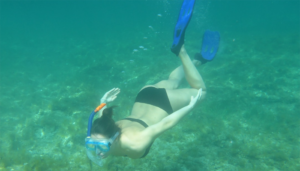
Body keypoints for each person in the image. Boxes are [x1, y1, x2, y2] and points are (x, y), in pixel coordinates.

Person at [85, 44, 206, 165]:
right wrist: (103, 101)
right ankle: (196, 61)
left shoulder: (135, 143)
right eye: (92, 144)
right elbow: (103, 117)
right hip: (144, 95)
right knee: (173, 81)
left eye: (102, 146)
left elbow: (165, 124)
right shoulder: (105, 129)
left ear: (114, 138)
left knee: (201, 91)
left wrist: (189, 107)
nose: (97, 151)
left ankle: (182, 52)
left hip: (164, 101)